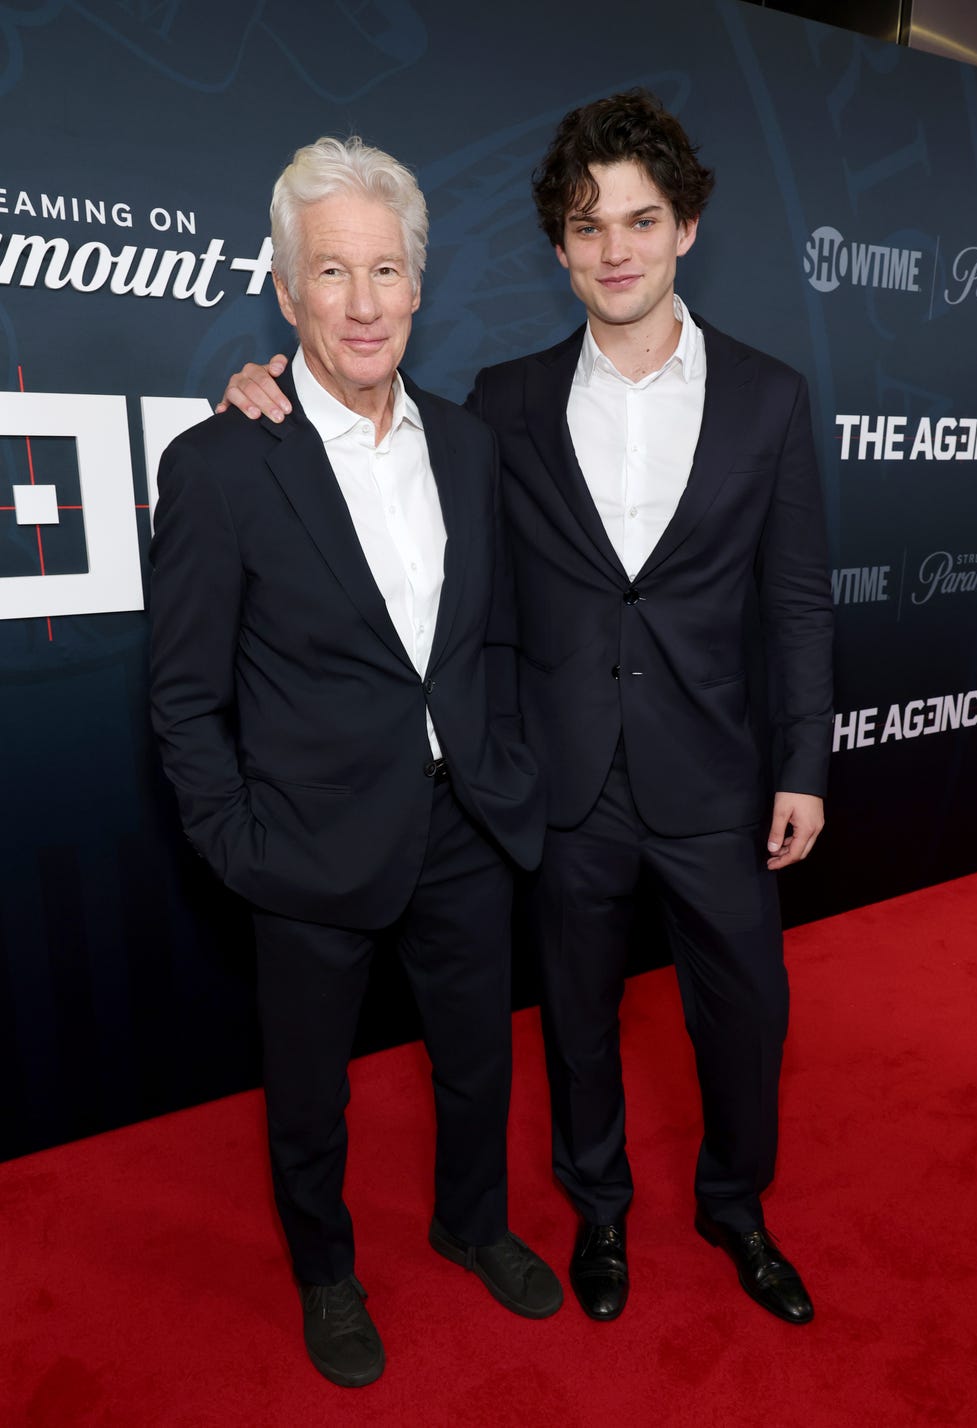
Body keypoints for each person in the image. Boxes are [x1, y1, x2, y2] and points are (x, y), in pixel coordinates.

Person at [219, 91, 834, 1329]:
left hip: (715, 778)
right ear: (555, 247)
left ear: (685, 230)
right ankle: (595, 1208)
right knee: (575, 1023)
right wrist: (252, 392)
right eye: (586, 223)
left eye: (640, 220)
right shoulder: (499, 404)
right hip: (558, 782)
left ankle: (734, 1205)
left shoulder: (768, 397)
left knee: (747, 1017)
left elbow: (799, 601)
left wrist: (803, 762)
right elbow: (366, 454)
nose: (614, 247)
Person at [150, 135, 561, 1391]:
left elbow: (490, 632)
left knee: (479, 1057)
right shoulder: (220, 464)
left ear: (420, 285)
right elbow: (181, 696)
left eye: (386, 270)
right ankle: (326, 1271)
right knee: (310, 1098)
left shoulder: (471, 445)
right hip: (305, 843)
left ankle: (471, 1221)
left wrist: (503, 773)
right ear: (285, 291)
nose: (365, 302)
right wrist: (241, 847)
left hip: (463, 824)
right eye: (332, 273)